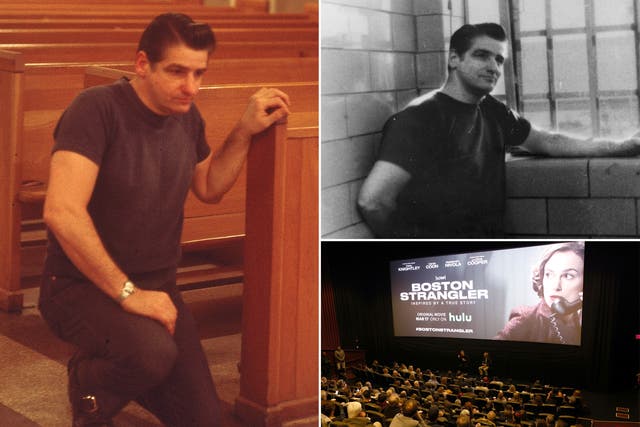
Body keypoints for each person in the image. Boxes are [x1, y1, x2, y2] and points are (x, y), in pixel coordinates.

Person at [37, 13, 291, 427]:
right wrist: (129, 293)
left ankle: (133, 368)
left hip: (157, 289)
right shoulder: (97, 108)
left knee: (204, 420)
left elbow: (209, 185)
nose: (190, 86)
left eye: (198, 73)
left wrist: (244, 131)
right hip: (76, 287)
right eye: (176, 71)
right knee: (150, 355)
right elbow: (61, 211)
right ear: (142, 64)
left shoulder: (186, 116)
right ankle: (88, 385)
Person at [357, 22, 640, 238]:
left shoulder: (491, 108)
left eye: (499, 59)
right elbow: (373, 200)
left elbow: (548, 141)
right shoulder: (420, 118)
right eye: (481, 55)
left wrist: (622, 146)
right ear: (454, 59)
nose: (493, 66)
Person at [495, 242, 584, 345]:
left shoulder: (582, 317)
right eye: (549, 274)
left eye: (568, 276)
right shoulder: (525, 318)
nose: (555, 286)